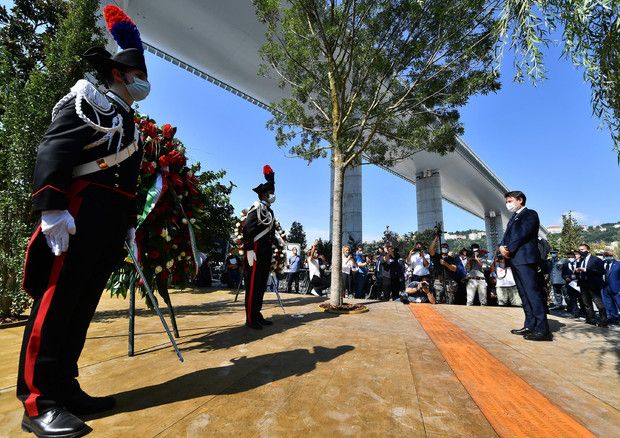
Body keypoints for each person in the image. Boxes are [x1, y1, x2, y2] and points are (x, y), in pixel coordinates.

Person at [16, 5, 149, 436]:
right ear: (118, 73)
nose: (143, 83)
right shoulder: (88, 100)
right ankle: (38, 401)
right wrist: (51, 208)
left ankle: (64, 387)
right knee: (56, 305)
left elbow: (128, 181)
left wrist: (128, 223)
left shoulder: (131, 124)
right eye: (137, 74)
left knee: (80, 308)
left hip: (107, 224)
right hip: (75, 217)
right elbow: (54, 149)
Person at [500, 190, 551, 341]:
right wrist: (501, 247)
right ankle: (530, 325)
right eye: (506, 202)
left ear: (520, 200)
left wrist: (508, 249)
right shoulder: (513, 217)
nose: (507, 204)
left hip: (525, 259)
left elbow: (522, 234)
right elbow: (507, 236)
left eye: (510, 201)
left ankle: (542, 329)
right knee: (524, 295)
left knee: (532, 293)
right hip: (515, 260)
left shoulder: (530, 214)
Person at [242, 165, 284, 329]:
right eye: (270, 193)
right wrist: (249, 249)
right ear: (263, 194)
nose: (272, 195)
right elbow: (247, 229)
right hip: (255, 251)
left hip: (265, 252)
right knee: (253, 286)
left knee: (260, 286)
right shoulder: (256, 208)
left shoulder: (269, 211)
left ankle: (257, 314)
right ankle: (250, 319)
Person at [574, 243, 607, 327]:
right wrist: (577, 271)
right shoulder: (580, 260)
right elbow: (578, 272)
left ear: (588, 250)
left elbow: (601, 271)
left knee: (599, 304)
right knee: (587, 304)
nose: (580, 251)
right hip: (583, 285)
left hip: (593, 285)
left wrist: (585, 270)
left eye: (582, 249)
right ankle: (591, 320)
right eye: (579, 250)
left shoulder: (596, 260)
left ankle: (603, 321)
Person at [428, 234, 458, 304]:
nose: (444, 248)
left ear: (448, 249)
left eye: (446, 247)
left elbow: (454, 269)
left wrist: (445, 264)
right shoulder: (437, 256)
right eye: (443, 247)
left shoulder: (451, 258)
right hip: (438, 281)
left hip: (448, 281)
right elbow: (431, 250)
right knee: (438, 300)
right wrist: (436, 238)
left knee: (450, 300)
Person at [561, 251, 582, 318]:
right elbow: (563, 274)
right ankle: (575, 312)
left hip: (578, 284)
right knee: (572, 299)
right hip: (570, 284)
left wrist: (578, 278)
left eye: (571, 256)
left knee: (581, 298)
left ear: (574, 257)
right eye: (569, 257)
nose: (570, 258)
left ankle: (583, 311)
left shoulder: (579, 264)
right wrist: (566, 278)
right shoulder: (565, 265)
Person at [601, 251, 620, 325]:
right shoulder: (602, 264)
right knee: (609, 304)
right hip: (605, 288)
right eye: (606, 255)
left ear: (612, 255)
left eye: (609, 255)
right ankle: (614, 318)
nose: (607, 256)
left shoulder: (618, 264)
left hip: (616, 288)